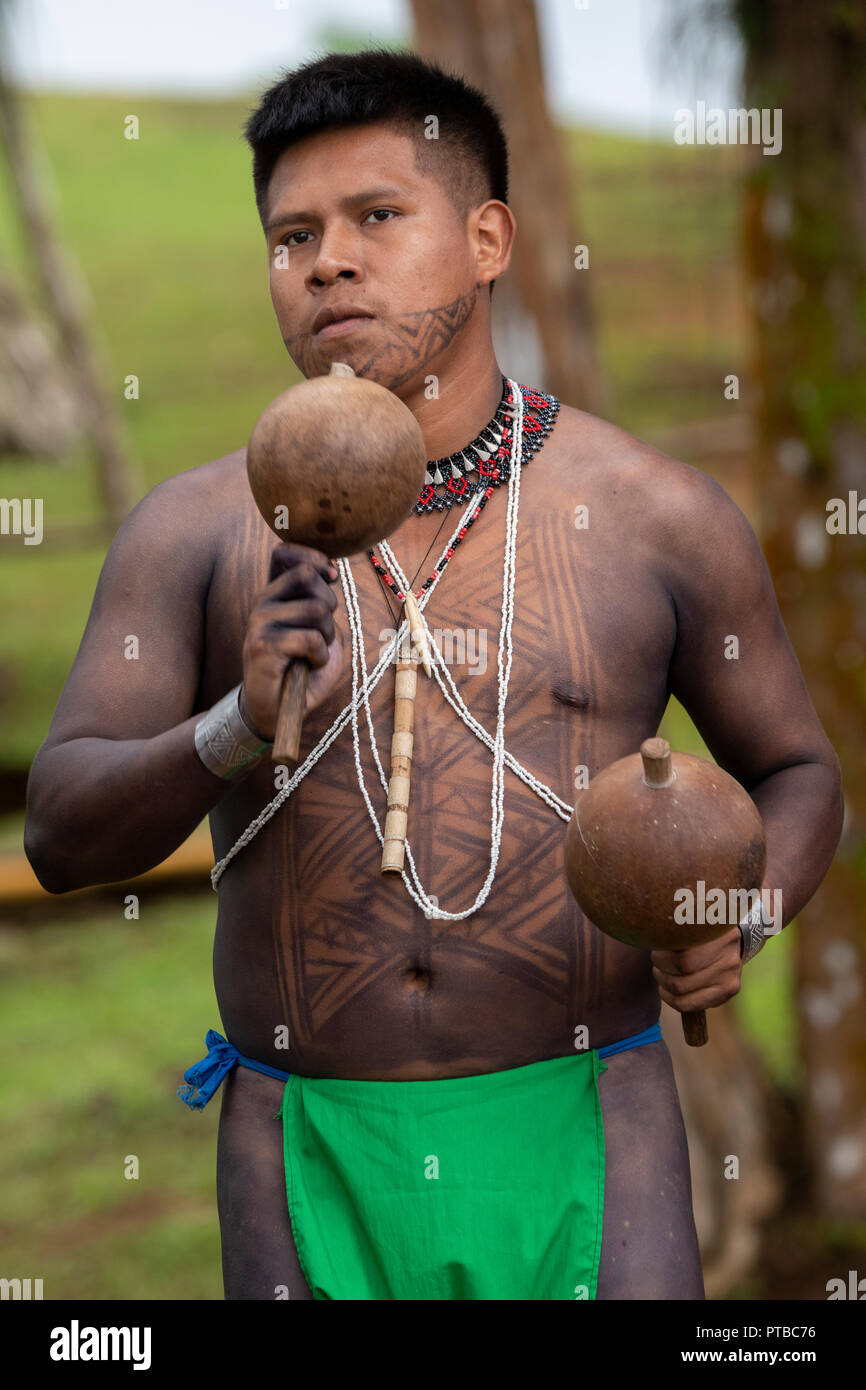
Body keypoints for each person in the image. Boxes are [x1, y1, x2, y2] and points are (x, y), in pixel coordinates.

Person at [24, 48, 843, 1300]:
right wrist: (235, 726)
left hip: (585, 1114)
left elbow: (795, 772)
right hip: (301, 1138)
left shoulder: (650, 516)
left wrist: (732, 916)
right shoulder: (190, 533)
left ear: (487, 237)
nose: (326, 260)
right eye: (290, 234)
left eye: (376, 217)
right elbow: (63, 835)